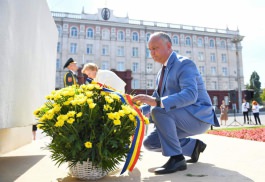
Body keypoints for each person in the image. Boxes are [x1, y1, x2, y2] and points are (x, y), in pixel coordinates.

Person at [132, 32, 219, 175]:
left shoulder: (184, 64)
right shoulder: (161, 72)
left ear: (168, 46)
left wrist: (157, 102)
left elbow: (190, 94)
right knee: (150, 143)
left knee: (158, 110)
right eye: (150, 50)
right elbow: (155, 100)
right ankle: (193, 147)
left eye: (155, 48)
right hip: (180, 117)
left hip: (198, 117)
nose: (152, 53)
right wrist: (134, 111)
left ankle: (177, 159)